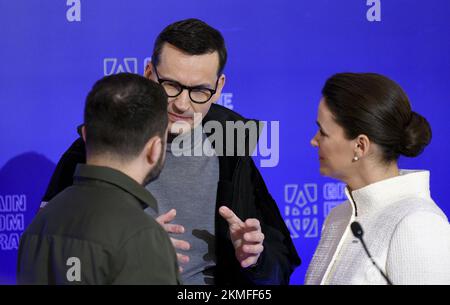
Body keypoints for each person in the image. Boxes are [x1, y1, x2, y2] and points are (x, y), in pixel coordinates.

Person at [38, 18, 300, 285]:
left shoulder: (232, 142)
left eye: (200, 90)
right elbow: (52, 254)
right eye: (171, 86)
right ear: (149, 73)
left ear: (219, 87)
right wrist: (126, 252)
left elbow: (280, 264)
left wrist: (256, 259)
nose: (182, 104)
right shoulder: (100, 141)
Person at [18, 73, 180, 285]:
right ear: (155, 148)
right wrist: (142, 242)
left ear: (85, 135)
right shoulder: (141, 236)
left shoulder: (38, 225)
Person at [305, 72, 450, 285]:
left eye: (323, 132)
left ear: (360, 146)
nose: (314, 141)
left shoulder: (417, 224)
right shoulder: (337, 217)